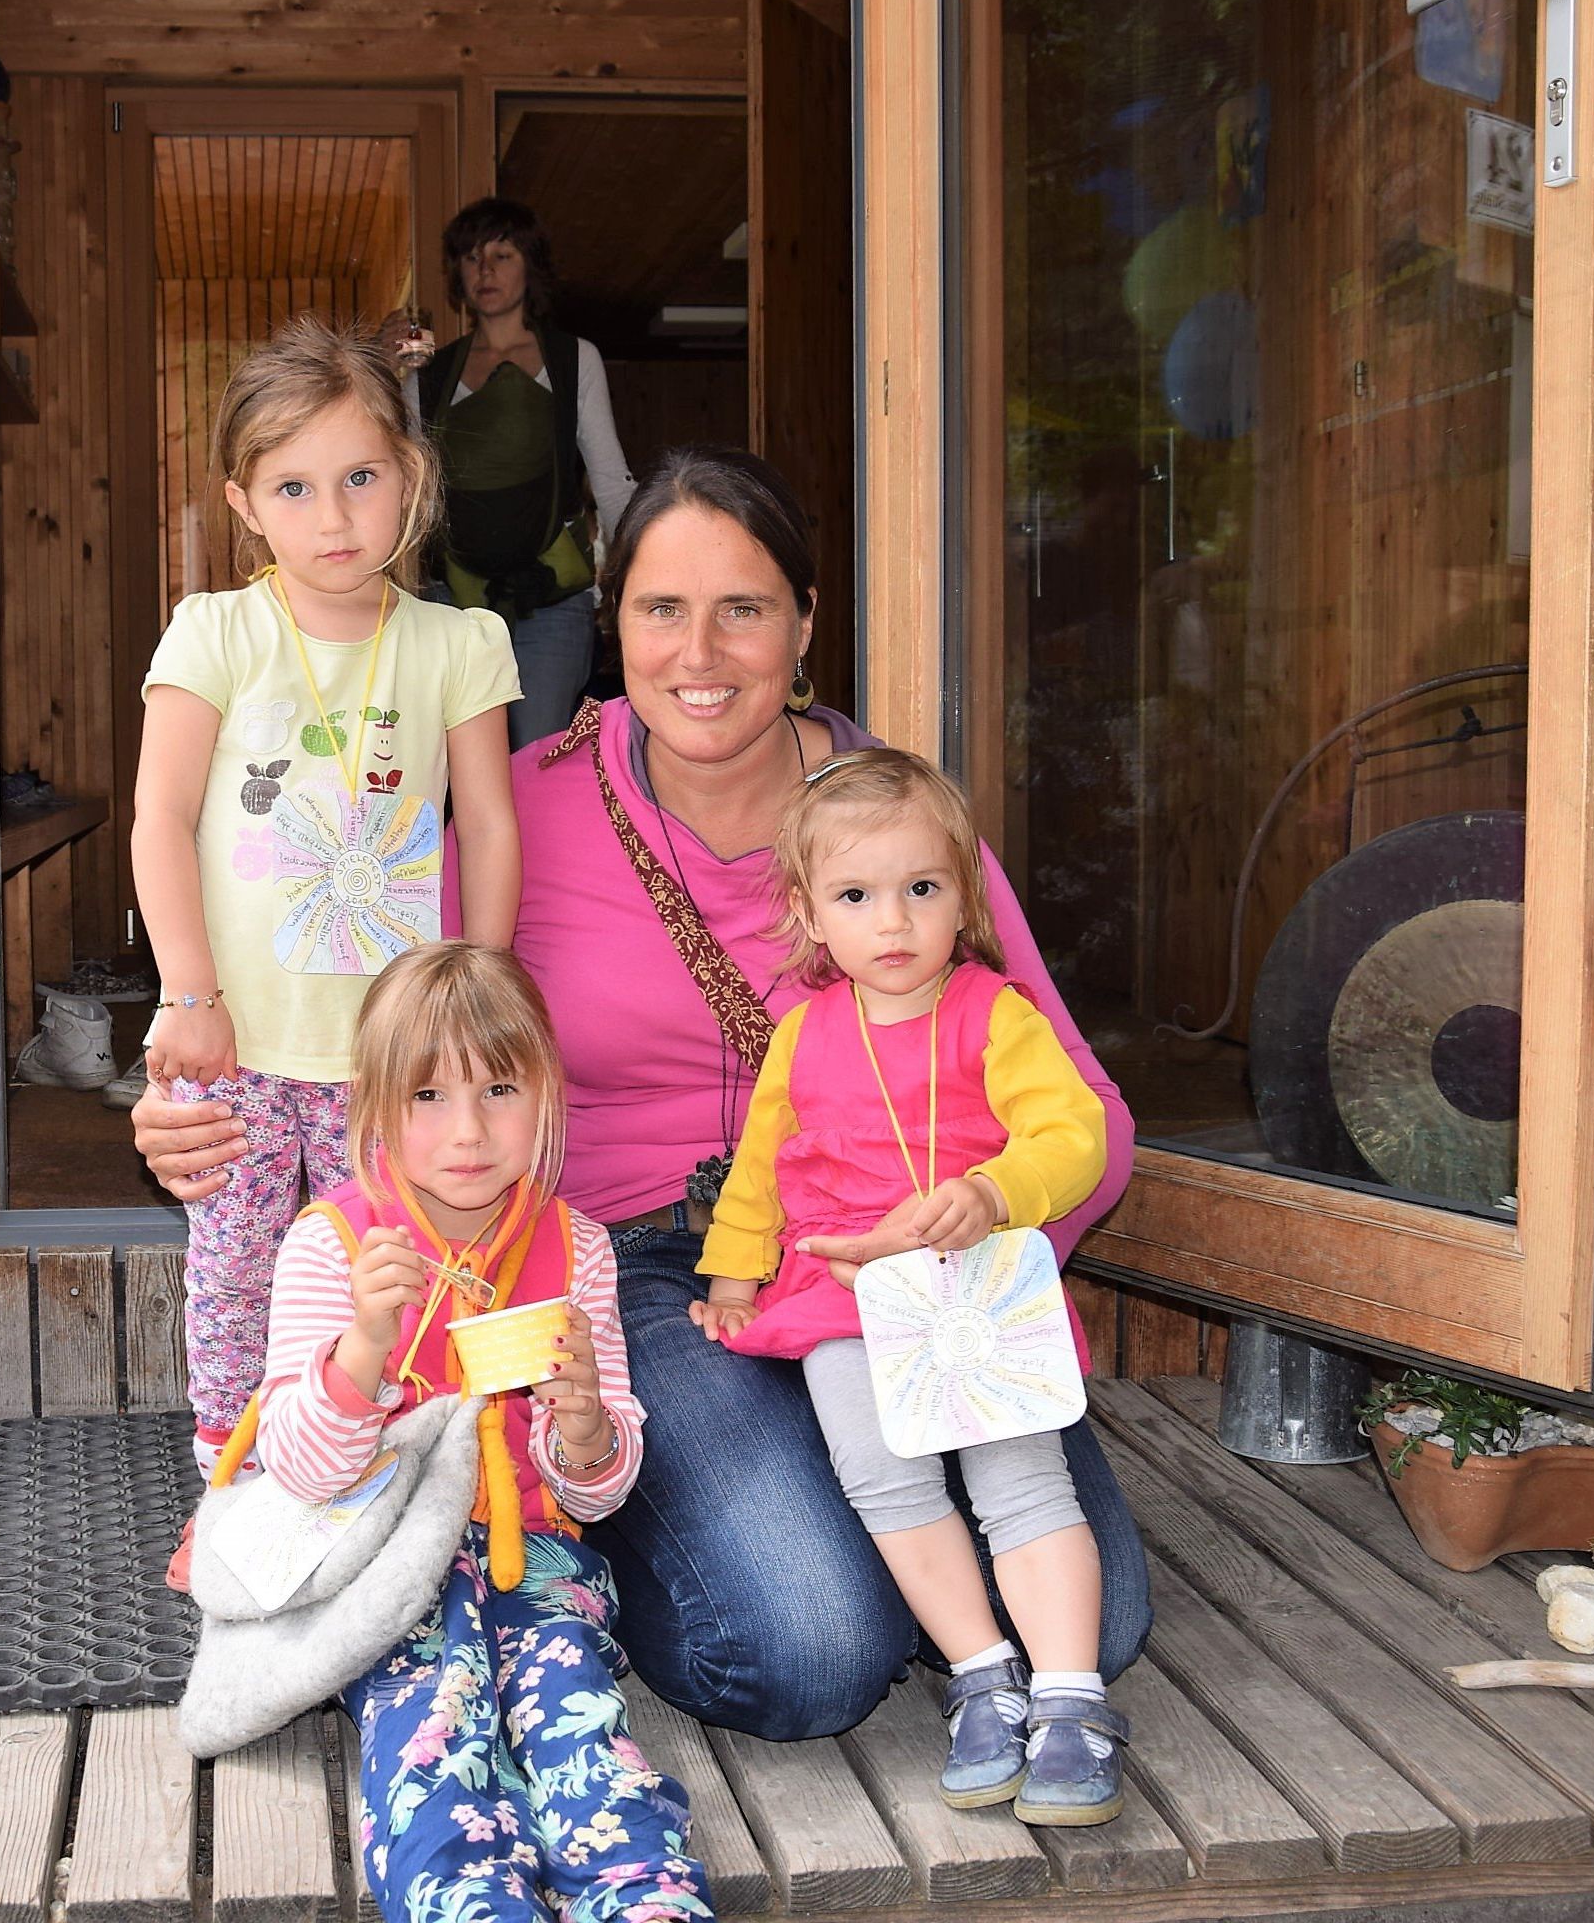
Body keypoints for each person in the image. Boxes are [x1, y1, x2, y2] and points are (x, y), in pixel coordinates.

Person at [140, 446, 1152, 1742]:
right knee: (810, 1655)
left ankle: (810, 1528)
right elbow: (359, 1021)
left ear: (802, 623)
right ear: (609, 626)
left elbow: (1088, 1119)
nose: (701, 651)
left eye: (742, 607)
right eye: (659, 609)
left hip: (901, 1269)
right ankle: (597, 1498)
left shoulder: (896, 831)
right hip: (645, 1277)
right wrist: (193, 1092)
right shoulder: (522, 815)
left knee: (1088, 1625)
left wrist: (982, 1254)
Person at [696, 749, 1124, 1823]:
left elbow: (1071, 1134)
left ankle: (1069, 1698)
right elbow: (758, 1170)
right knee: (881, 1476)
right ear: (808, 914)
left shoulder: (995, 1014)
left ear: (961, 898)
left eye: (919, 889)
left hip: (977, 1290)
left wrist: (993, 1189)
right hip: (847, 1297)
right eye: (854, 895)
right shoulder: (802, 1035)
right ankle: (980, 1672)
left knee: (1022, 1480)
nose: (891, 922)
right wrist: (732, 1275)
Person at [245, 940, 710, 1923]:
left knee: (577, 1727)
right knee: (433, 1731)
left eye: (498, 1087)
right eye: (427, 1096)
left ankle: (646, 1898)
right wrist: (362, 1348)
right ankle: (467, 1900)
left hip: (534, 1560)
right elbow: (297, 1469)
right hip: (377, 1566)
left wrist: (581, 1424)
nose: (467, 1130)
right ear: (373, 1108)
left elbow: (597, 1492)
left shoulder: (574, 1246)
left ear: (545, 1094)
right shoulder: (331, 1247)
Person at [133, 314, 522, 1482]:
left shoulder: (461, 643)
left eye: (361, 477)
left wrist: (473, 1000)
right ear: (244, 504)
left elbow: (490, 822)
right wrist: (185, 992)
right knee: (237, 1267)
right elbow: (160, 816)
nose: (335, 515)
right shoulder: (215, 630)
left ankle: (373, 1461)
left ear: (412, 476)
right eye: (294, 487)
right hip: (241, 1040)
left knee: (387, 1263)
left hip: (395, 1051)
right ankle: (230, 1471)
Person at [407, 199, 637, 749]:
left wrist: (640, 587)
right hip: (449, 602)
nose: (484, 271)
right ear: (456, 274)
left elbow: (610, 481)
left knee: (539, 760)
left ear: (529, 265)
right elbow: (409, 494)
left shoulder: (573, 358)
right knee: (455, 773)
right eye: (470, 257)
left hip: (552, 600)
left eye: (501, 255)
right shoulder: (427, 375)